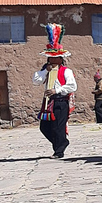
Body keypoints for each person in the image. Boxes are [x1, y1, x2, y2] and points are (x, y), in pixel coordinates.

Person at [32, 23, 77, 159]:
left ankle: (59, 151)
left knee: (58, 127)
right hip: (48, 102)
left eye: (54, 58)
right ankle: (61, 143)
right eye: (50, 57)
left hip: (60, 102)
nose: (52, 60)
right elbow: (36, 81)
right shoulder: (45, 70)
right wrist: (46, 70)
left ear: (60, 59)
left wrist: (56, 90)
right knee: (44, 127)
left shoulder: (66, 71)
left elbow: (72, 86)